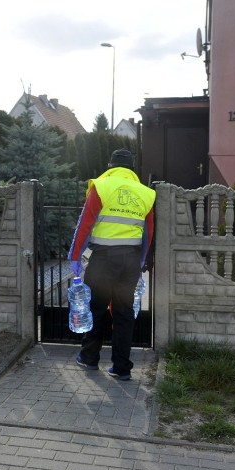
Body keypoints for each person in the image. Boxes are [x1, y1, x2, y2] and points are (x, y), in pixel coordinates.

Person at [68, 149, 156, 380]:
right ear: (132, 170)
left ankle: (89, 359)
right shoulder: (146, 193)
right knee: (124, 313)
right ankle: (122, 368)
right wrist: (142, 260)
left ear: (110, 165)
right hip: (131, 261)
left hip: (104, 259)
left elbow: (85, 224)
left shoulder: (102, 186)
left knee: (96, 309)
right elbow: (149, 232)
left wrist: (75, 256)